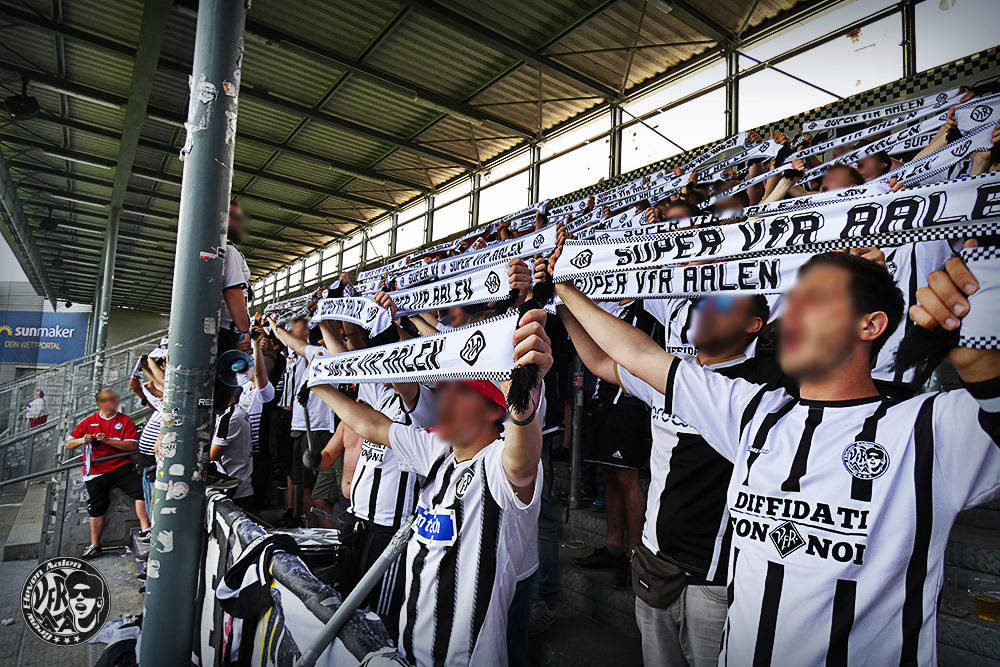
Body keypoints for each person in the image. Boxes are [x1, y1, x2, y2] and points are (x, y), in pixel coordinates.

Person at [550, 244, 1000, 667]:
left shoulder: (928, 428)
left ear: (870, 325)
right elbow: (636, 352)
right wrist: (565, 287)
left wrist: (981, 352)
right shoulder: (756, 413)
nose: (793, 313)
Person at [555, 285, 789, 667]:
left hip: (713, 581)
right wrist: (561, 303)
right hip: (655, 564)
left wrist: (568, 293)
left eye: (723, 304)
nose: (705, 309)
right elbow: (598, 361)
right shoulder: (668, 373)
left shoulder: (764, 387)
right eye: (702, 302)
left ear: (754, 324)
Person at [310, 307, 552, 667]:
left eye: (458, 393)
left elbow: (523, 455)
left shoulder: (499, 469)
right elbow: (372, 424)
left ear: (490, 411)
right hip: (409, 652)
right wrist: (318, 383)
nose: (443, 402)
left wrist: (522, 404)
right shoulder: (437, 450)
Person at [574, 299, 661, 589]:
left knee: (626, 477)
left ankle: (635, 555)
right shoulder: (609, 304)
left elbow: (631, 350)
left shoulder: (646, 307)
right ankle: (613, 546)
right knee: (609, 474)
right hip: (603, 397)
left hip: (629, 400)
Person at [66, 389, 150, 559]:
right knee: (96, 507)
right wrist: (83, 440)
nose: (114, 402)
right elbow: (69, 443)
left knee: (140, 491)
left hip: (120, 465)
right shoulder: (89, 421)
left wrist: (108, 441)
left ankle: (145, 529)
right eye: (109, 400)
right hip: (96, 469)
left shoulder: (125, 420)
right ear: (100, 403)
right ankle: (95, 545)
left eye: (114, 399)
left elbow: (132, 445)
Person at [217, 200, 253, 409]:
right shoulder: (229, 250)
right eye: (237, 217)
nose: (242, 223)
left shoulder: (217, 247)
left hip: (218, 331)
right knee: (217, 400)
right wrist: (244, 331)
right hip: (224, 334)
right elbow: (232, 291)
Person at [211, 390, 254, 510]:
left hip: (233, 487)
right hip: (238, 483)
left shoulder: (230, 417)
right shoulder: (235, 413)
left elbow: (212, 456)